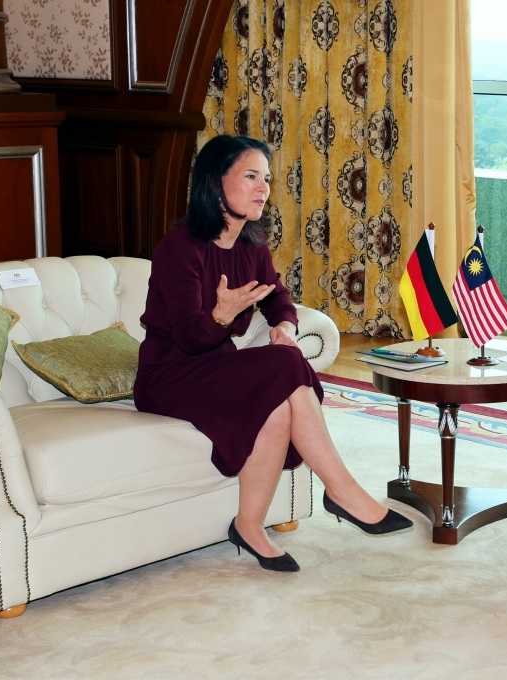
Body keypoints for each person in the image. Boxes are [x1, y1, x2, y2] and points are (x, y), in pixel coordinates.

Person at [134, 135, 411, 572]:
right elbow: (189, 337)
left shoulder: (250, 244)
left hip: (215, 365)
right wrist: (221, 317)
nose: (263, 188)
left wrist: (283, 325)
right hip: (168, 375)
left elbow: (278, 297)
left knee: (279, 403)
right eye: (250, 177)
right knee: (284, 365)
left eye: (267, 178)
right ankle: (342, 491)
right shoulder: (179, 247)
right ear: (214, 182)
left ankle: (249, 525)